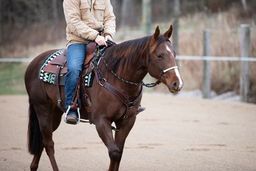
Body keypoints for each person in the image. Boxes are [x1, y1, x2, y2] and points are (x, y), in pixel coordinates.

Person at [63, 0, 116, 124]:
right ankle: (71, 106)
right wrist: (95, 36)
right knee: (74, 69)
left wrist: (108, 34)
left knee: (122, 61)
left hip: (103, 39)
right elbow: (73, 22)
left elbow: (110, 18)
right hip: (78, 41)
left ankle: (129, 103)